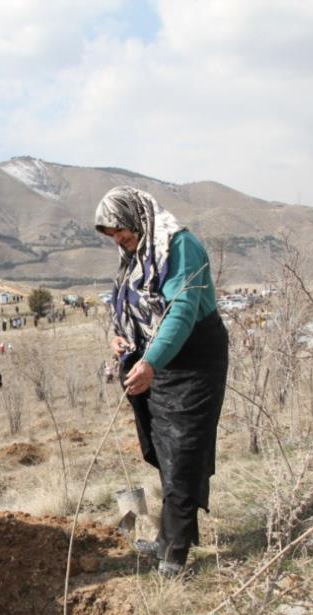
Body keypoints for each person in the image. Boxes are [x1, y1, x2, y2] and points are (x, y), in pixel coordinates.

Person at [95, 187, 228, 580]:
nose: (117, 240)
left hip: (194, 359)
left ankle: (174, 554)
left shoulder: (180, 247)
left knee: (184, 451)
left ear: (136, 217)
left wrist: (151, 360)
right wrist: (120, 338)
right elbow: (132, 306)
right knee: (168, 451)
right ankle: (172, 534)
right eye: (111, 235)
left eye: (119, 230)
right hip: (158, 359)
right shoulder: (138, 254)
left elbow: (182, 310)